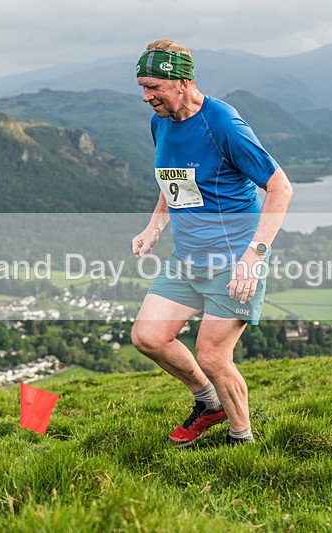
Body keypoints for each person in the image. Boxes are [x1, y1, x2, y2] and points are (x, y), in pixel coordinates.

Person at [131, 38, 293, 447]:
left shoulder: (223, 125)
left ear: (183, 83)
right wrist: (154, 227)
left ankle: (242, 439)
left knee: (213, 356)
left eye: (154, 87)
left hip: (234, 260)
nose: (147, 97)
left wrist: (254, 256)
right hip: (187, 258)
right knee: (148, 337)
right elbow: (173, 181)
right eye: (143, 88)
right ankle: (209, 403)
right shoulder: (160, 122)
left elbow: (280, 188)